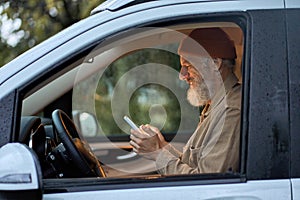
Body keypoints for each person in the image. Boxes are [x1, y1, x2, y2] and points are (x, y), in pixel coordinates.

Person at [129, 28, 241, 174]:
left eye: (188, 66)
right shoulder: (216, 104)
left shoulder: (231, 109)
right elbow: (192, 164)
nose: (182, 75)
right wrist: (161, 146)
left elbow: (208, 183)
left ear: (216, 64)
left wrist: (157, 154)